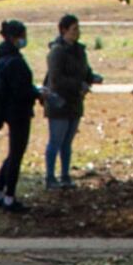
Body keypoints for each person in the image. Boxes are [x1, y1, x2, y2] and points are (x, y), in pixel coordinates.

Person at [0, 18, 39, 212]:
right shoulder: (15, 62)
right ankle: (9, 197)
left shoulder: (2, 57)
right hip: (19, 112)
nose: (24, 40)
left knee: (12, 154)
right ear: (13, 38)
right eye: (22, 36)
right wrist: (37, 93)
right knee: (16, 155)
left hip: (8, 111)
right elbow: (21, 90)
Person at [42, 13, 97, 188]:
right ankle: (50, 177)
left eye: (78, 29)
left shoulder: (79, 50)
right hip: (59, 103)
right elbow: (56, 79)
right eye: (74, 29)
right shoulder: (57, 52)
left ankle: (65, 175)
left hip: (75, 102)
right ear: (63, 30)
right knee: (55, 141)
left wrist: (90, 79)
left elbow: (85, 71)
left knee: (67, 143)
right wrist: (78, 85)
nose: (77, 32)